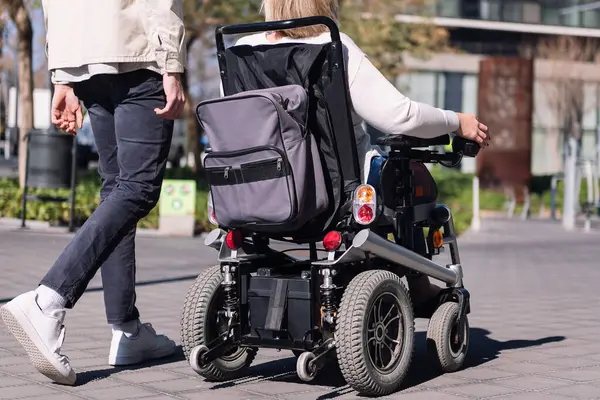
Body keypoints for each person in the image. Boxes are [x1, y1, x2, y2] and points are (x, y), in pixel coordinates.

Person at [234, 0, 490, 307]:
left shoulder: (242, 48)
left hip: (261, 191)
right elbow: (401, 117)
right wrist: (456, 121)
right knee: (408, 177)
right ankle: (418, 285)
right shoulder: (333, 46)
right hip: (333, 193)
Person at [0, 0, 186, 386]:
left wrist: (62, 76)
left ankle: (127, 330)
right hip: (136, 53)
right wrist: (171, 61)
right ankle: (47, 300)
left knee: (116, 189)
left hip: (84, 58)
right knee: (137, 188)